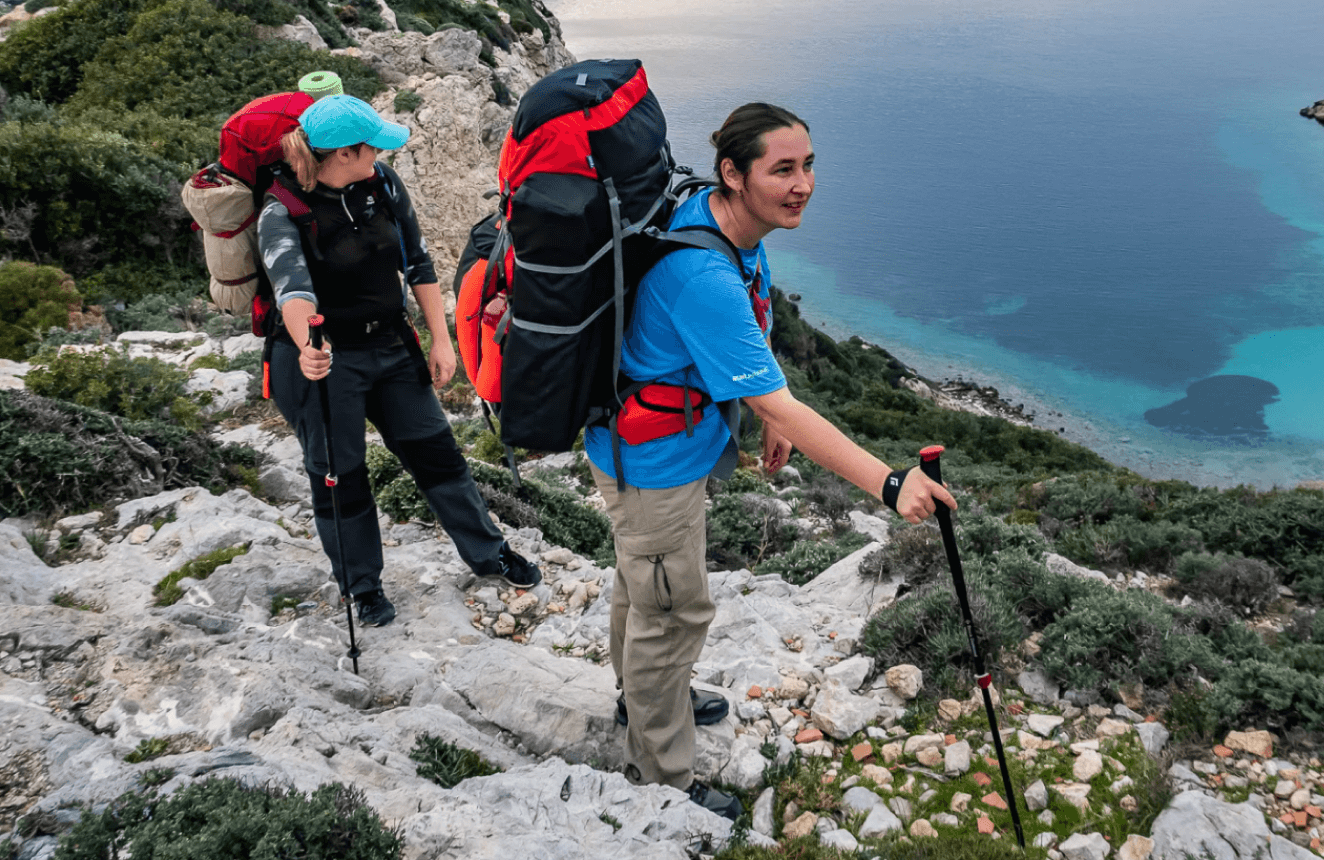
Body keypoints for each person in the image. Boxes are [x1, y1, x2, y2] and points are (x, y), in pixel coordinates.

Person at [585, 101, 957, 820]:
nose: (804, 184)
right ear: (732, 172)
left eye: (809, 164)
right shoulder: (703, 276)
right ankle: (661, 776)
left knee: (645, 586)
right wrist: (887, 482)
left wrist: (756, 414)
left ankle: (647, 696)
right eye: (782, 169)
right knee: (674, 607)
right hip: (651, 461)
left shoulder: (722, 219)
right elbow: (782, 398)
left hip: (663, 447)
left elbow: (747, 337)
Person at [262, 94, 540, 626]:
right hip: (323, 359)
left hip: (390, 345)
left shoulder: (382, 183)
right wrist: (308, 349)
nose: (381, 155)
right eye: (372, 147)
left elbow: (418, 262)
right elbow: (291, 289)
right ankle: (362, 587)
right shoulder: (282, 210)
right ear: (343, 153)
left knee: (437, 454)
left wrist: (441, 340)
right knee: (339, 475)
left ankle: (489, 554)